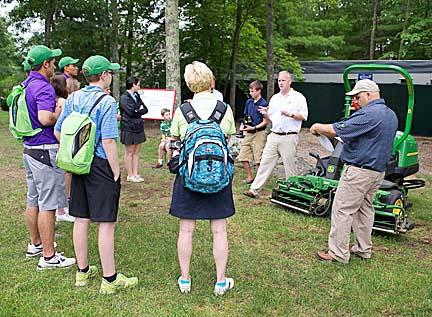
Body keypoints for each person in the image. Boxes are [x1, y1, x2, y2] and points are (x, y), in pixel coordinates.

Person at [55, 55, 138, 294]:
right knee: (106, 223)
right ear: (103, 76)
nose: (111, 76)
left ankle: (82, 273)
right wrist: (116, 170)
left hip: (79, 164)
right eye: (110, 72)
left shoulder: (73, 97)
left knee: (81, 218)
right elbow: (109, 140)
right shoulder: (107, 101)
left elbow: (59, 132)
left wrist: (75, 152)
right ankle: (109, 280)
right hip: (101, 165)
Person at [310, 79, 398, 264]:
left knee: (342, 209)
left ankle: (338, 253)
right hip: (377, 172)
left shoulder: (370, 114)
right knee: (365, 209)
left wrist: (317, 127)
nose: (356, 101)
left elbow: (338, 129)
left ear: (368, 94)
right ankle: (363, 249)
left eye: (358, 96)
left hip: (359, 171)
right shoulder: (390, 115)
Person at [170, 61, 236, 296]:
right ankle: (220, 281)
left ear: (189, 84)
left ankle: (185, 279)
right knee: (219, 230)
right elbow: (229, 140)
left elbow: (174, 140)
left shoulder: (183, 111)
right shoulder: (224, 109)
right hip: (218, 178)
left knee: (186, 230)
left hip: (188, 177)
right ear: (210, 81)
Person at [21, 45, 76, 269]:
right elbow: (45, 118)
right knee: (48, 204)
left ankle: (35, 244)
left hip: (30, 149)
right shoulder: (43, 87)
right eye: (53, 62)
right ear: (45, 64)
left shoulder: (26, 84)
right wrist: (60, 113)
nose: (55, 65)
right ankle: (49, 256)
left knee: (33, 199)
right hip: (44, 150)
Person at [243, 71, 308, 198]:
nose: (280, 83)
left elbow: (304, 116)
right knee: (265, 163)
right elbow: (272, 117)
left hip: (289, 136)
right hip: (274, 135)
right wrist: (265, 113)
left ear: (290, 81)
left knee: (290, 166)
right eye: (279, 80)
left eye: (283, 80)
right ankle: (254, 189)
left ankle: (292, 193)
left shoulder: (298, 97)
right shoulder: (275, 98)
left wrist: (291, 114)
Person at [50, 73, 75, 222]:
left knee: (55, 177)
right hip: (60, 142)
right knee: (62, 176)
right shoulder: (63, 102)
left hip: (52, 142)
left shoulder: (50, 100)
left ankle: (59, 208)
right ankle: (61, 210)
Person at [237, 80, 268, 184]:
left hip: (259, 133)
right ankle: (250, 177)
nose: (250, 93)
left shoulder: (263, 104)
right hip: (248, 132)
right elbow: (246, 116)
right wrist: (243, 126)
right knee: (242, 156)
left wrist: (254, 128)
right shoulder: (249, 102)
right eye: (250, 91)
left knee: (258, 158)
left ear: (258, 91)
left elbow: (265, 122)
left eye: (252, 91)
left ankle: (259, 181)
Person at [119, 76, 148, 182]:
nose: (139, 86)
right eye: (138, 84)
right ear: (133, 84)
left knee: (136, 151)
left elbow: (145, 109)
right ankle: (130, 175)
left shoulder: (137, 95)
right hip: (129, 127)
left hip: (138, 126)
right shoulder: (124, 97)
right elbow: (131, 112)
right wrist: (137, 110)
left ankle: (135, 173)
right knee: (129, 152)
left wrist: (137, 110)